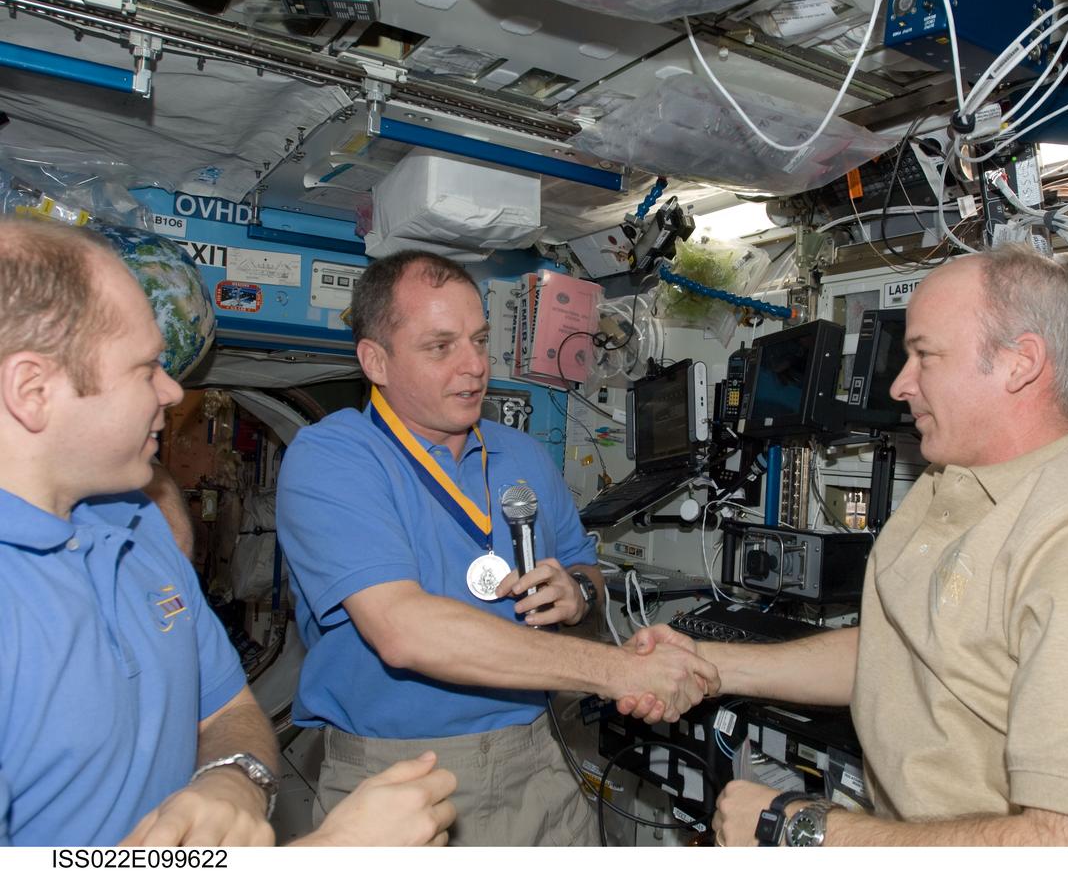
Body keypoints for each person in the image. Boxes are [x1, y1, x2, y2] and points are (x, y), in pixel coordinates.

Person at [625, 244, 1068, 847]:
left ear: (1020, 364)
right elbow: (895, 653)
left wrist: (800, 830)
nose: (900, 385)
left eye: (925, 355)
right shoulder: (953, 482)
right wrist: (709, 666)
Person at [0, 218, 457, 847]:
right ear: (32, 390)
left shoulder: (139, 525)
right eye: (144, 369)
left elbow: (227, 710)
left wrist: (233, 778)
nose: (171, 391)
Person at [276, 250, 719, 846]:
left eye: (479, 341)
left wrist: (578, 594)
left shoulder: (523, 454)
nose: (474, 366)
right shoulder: (333, 457)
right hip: (399, 775)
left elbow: (588, 572)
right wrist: (615, 671)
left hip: (538, 758)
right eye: (441, 347)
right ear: (375, 360)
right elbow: (404, 631)